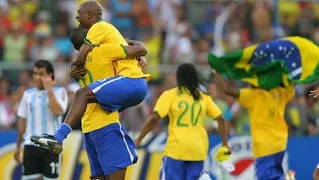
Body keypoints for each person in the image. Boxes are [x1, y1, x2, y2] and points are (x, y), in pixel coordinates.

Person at [32, 27, 148, 180]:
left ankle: (59, 137)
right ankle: (59, 137)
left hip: (88, 127)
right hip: (106, 124)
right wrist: (139, 55)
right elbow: (139, 49)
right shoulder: (103, 51)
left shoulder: (77, 63)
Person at [135, 63, 230, 180]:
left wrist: (140, 138)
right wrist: (225, 144)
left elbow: (155, 117)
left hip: (177, 149)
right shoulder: (203, 97)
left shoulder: (171, 95)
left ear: (178, 78)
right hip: (197, 150)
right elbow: (220, 119)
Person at [214, 72, 294, 180]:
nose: (248, 83)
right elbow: (292, 83)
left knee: (265, 177)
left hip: (264, 146)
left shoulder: (254, 95)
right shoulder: (279, 92)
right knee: (275, 174)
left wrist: (217, 71)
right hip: (280, 144)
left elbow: (227, 89)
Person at [14, 60, 68, 180]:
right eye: (35, 73)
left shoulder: (60, 92)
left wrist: (49, 90)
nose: (37, 77)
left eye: (41, 74)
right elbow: (22, 120)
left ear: (50, 75)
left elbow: (58, 111)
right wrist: (18, 146)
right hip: (30, 144)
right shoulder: (27, 94)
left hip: (52, 146)